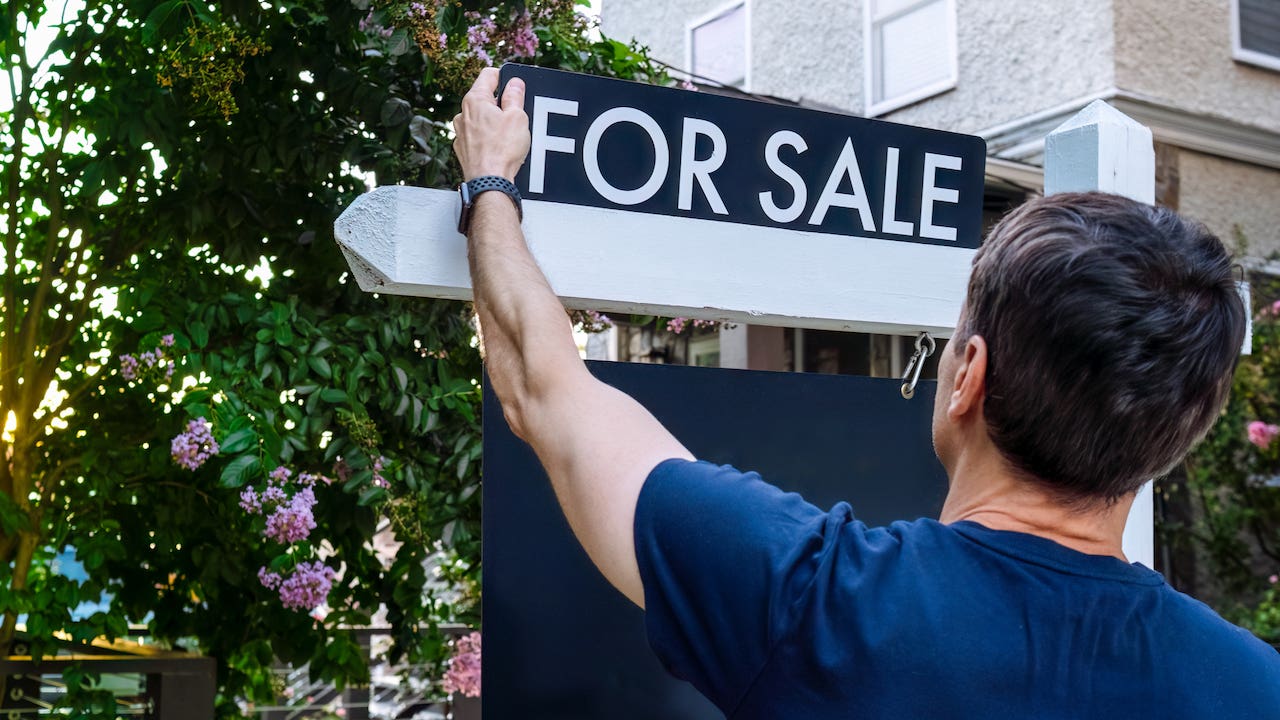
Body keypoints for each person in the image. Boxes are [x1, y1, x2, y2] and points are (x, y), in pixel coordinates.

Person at [451, 67, 1280, 718]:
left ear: (970, 376)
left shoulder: (813, 604)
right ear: (1181, 429)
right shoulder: (1254, 687)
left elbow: (541, 383)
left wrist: (490, 185)